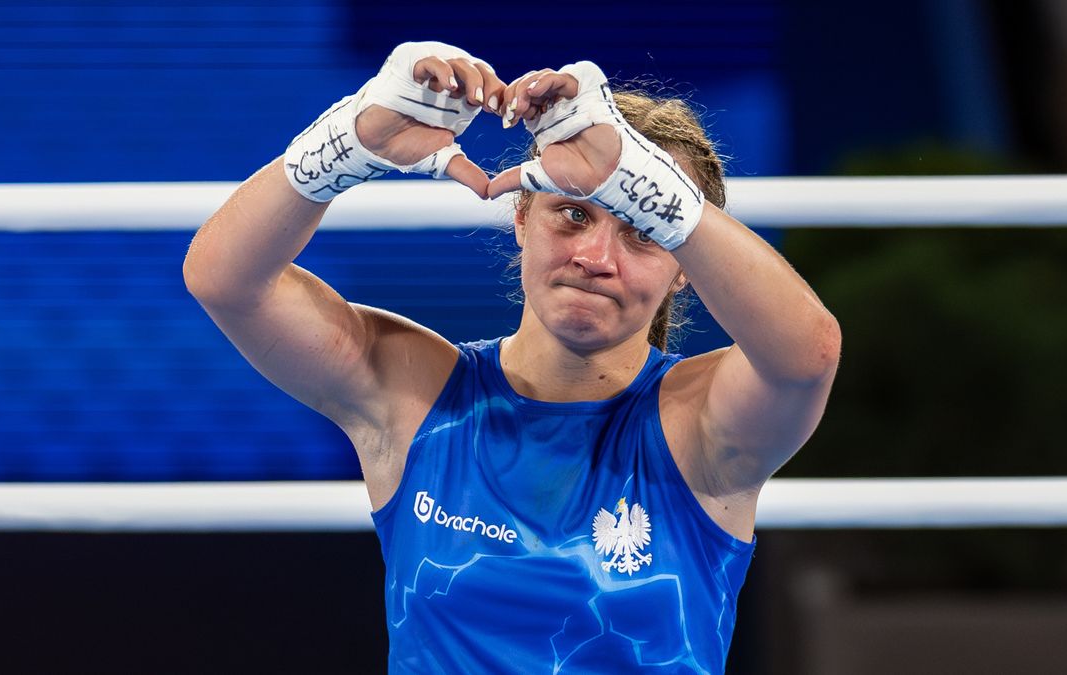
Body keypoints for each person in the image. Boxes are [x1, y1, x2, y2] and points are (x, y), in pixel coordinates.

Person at [184, 41, 840, 673]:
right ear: (521, 216)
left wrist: (654, 190)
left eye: (643, 231)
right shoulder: (416, 394)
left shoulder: (700, 423)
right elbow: (225, 280)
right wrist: (348, 143)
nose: (596, 260)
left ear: (683, 270)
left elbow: (808, 354)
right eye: (575, 216)